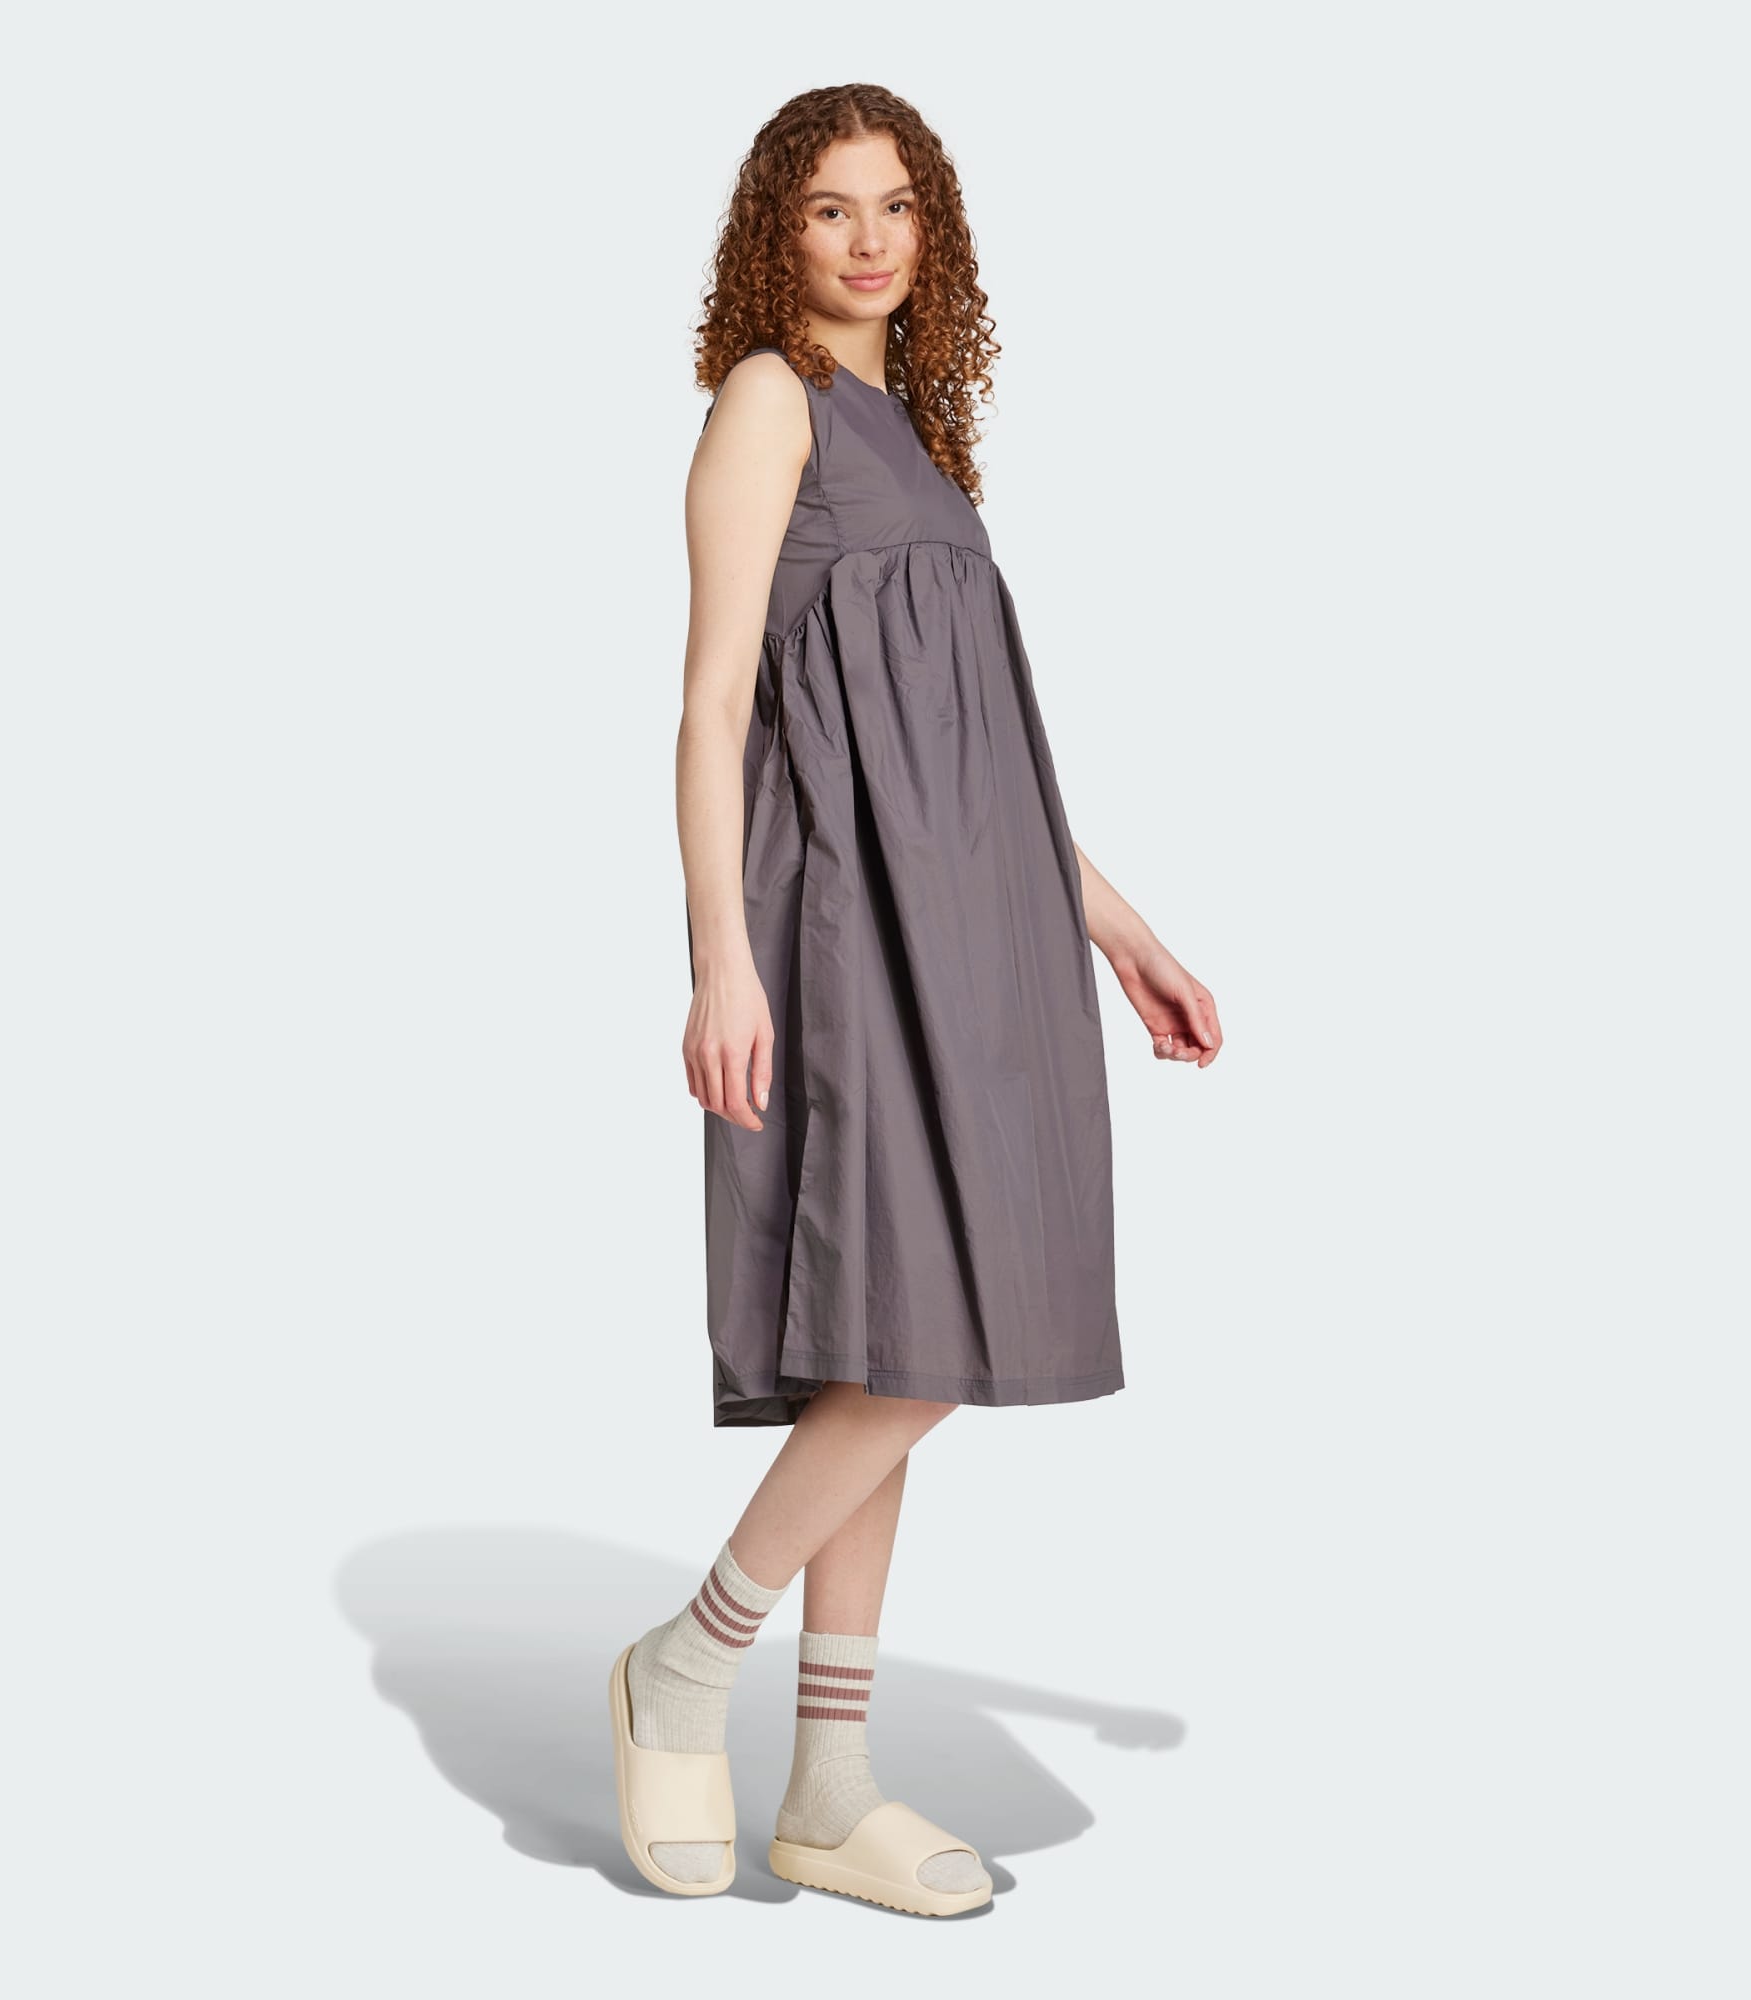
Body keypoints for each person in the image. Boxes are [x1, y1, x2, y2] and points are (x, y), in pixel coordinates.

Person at [608, 83, 1222, 1917]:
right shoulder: (768, 402)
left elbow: (980, 761)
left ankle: (829, 1786)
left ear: (930, 229)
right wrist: (717, 951)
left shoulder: (922, 443)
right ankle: (688, 1663)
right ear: (773, 235)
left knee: (899, 1321)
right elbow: (712, 704)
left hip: (986, 934)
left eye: (895, 205)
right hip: (848, 931)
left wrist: (1118, 929)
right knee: (910, 1331)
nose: (868, 239)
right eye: (828, 209)